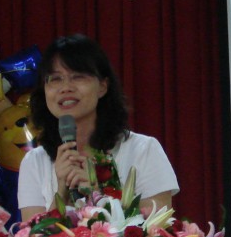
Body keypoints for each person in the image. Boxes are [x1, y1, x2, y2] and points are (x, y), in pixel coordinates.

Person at [17, 33, 179, 223]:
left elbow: (157, 232)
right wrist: (61, 191)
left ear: (102, 86)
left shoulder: (143, 150)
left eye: (78, 76)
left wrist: (97, 194)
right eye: (55, 79)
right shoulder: (34, 162)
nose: (65, 87)